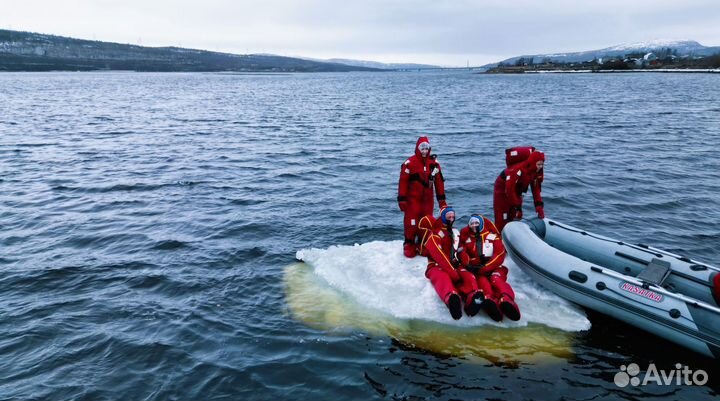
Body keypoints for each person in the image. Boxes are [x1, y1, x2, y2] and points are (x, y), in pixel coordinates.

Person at [457, 214, 521, 321]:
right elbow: (462, 253)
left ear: (481, 224)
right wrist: (469, 264)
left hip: (494, 268)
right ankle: (491, 303)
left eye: (476, 223)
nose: (474, 225)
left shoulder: (493, 237)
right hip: (478, 271)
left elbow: (500, 255)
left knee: (497, 281)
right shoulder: (467, 239)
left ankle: (507, 301)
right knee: (484, 284)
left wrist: (485, 267)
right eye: (471, 223)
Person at [416, 206, 473, 320]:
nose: (451, 218)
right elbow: (438, 256)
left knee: (468, 277)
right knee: (442, 278)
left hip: (455, 264)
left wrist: (466, 262)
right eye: (448, 216)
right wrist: (453, 273)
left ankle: (473, 297)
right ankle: (451, 298)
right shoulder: (435, 234)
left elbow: (461, 249)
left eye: (453, 216)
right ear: (443, 217)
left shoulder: (456, 233)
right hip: (437, 266)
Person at [398, 136, 448, 258]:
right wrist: (402, 199)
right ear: (417, 149)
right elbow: (403, 182)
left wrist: (442, 202)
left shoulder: (434, 164)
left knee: (426, 220)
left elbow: (439, 183)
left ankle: (423, 241)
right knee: (412, 221)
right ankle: (409, 243)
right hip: (413, 200)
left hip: (427, 200)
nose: (424, 151)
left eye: (426, 149)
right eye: (422, 148)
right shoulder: (409, 163)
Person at [493, 149, 545, 232]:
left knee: (515, 216)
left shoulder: (536, 172)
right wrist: (518, 207)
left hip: (517, 190)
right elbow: (509, 190)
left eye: (542, 164)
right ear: (533, 162)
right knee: (503, 217)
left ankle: (512, 234)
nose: (540, 167)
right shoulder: (517, 170)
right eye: (538, 164)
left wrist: (539, 206)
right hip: (502, 190)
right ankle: (499, 237)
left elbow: (536, 190)